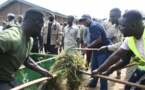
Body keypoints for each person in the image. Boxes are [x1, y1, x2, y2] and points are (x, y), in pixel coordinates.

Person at [0, 8, 53, 90]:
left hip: (9, 77)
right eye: (41, 27)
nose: (41, 30)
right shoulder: (11, 37)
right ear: (37, 24)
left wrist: (44, 71)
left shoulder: (29, 40)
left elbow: (26, 60)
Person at [92, 10, 145, 90]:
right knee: (128, 87)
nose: (120, 28)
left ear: (133, 26)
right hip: (142, 68)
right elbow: (116, 55)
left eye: (123, 26)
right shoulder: (129, 39)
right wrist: (100, 70)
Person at [79, 14, 112, 90]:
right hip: (96, 51)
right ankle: (93, 83)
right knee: (94, 68)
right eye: (83, 21)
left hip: (104, 51)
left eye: (85, 20)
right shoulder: (91, 26)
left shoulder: (94, 26)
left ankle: (103, 88)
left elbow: (98, 40)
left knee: (102, 71)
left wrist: (86, 48)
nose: (84, 22)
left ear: (90, 18)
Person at [101, 8, 123, 79]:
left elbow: (124, 43)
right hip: (113, 44)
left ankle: (118, 72)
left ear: (119, 16)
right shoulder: (115, 26)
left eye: (113, 17)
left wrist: (108, 47)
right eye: (110, 16)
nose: (111, 19)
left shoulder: (124, 26)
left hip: (121, 47)